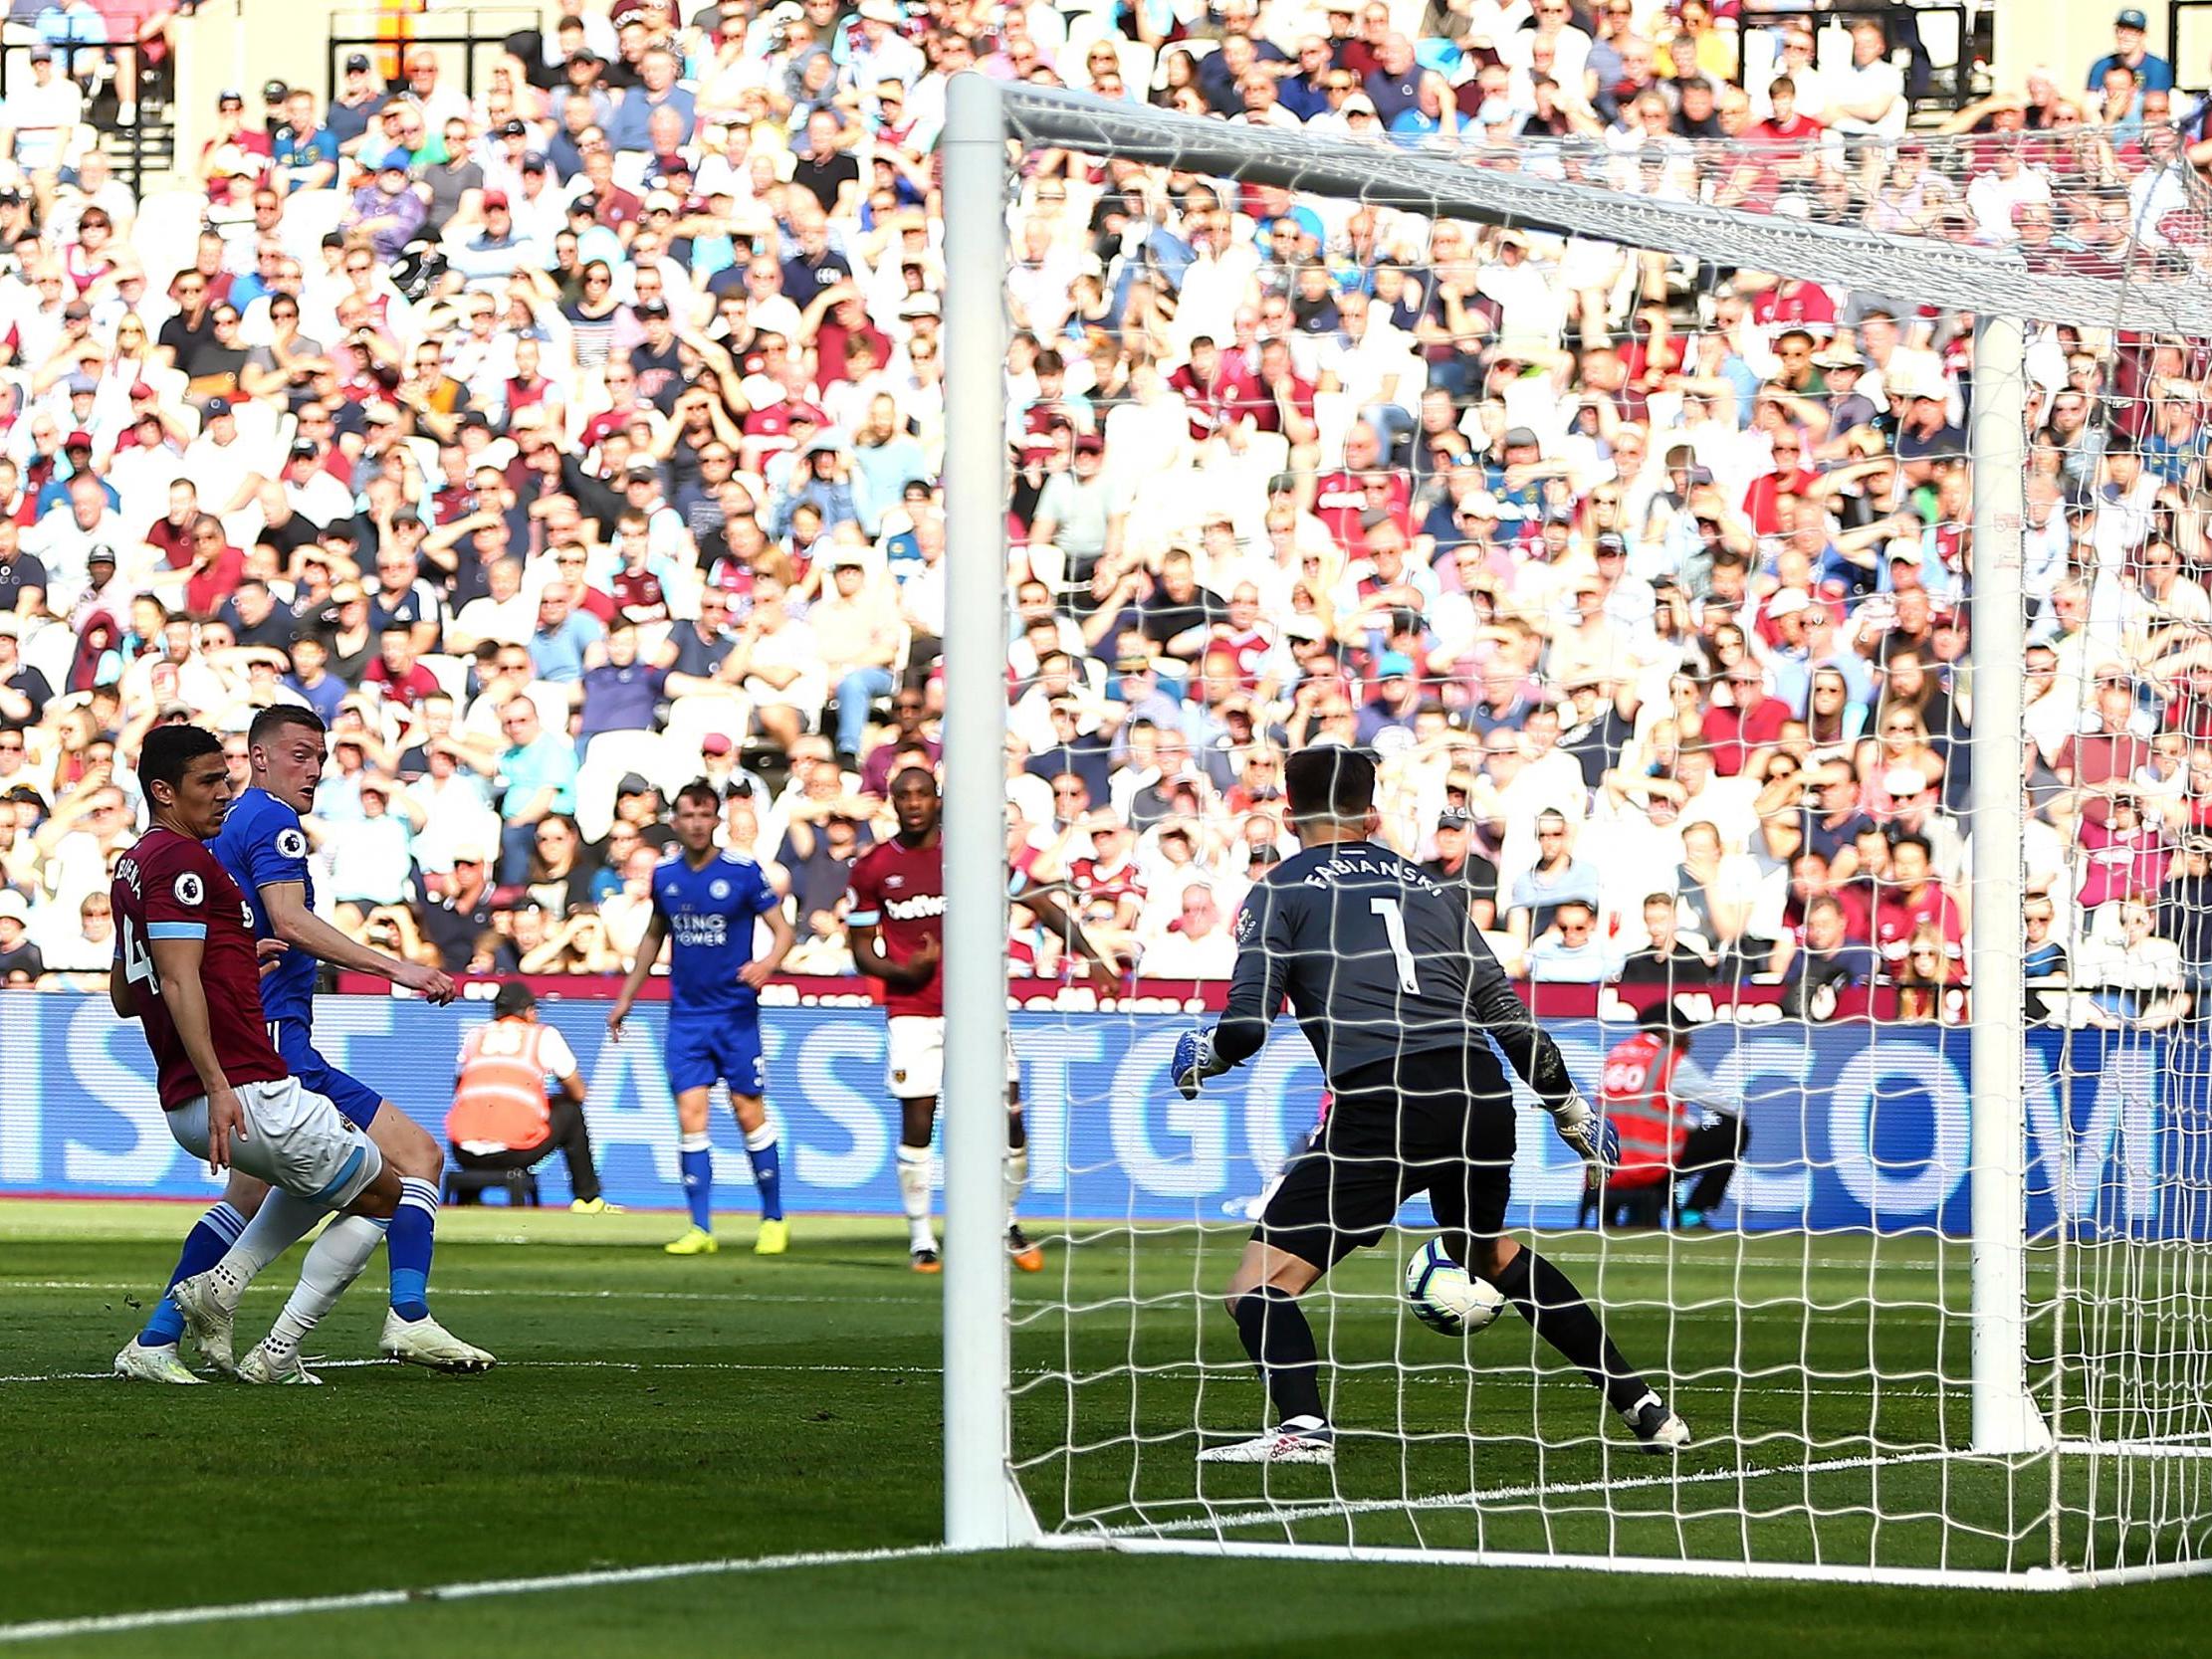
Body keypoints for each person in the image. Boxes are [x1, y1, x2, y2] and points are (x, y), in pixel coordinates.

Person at [1170, 747, 1688, 1464]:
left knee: (1255, 1287)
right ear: (1374, 817)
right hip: (1478, 1088)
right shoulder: (1433, 890)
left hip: (1384, 1098)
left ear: (1289, 818)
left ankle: (1304, 1429)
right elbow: (1506, 1010)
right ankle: (1644, 1405)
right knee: (1489, 1249)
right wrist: (1567, 1105)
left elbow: (1248, 1024)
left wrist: (1204, 1054)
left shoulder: (1278, 889)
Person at [121, 706, 494, 1380]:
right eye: (299, 754)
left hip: (251, 1031)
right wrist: (398, 967)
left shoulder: (218, 830)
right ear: (256, 758)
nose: (314, 770)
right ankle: (397, 1316)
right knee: (414, 1160)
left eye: (320, 758)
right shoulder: (271, 821)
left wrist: (235, 954)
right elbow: (290, 918)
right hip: (273, 1041)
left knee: (252, 1195)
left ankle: (157, 1335)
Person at [846, 766, 1117, 1272]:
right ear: (891, 802)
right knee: (918, 1123)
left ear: (936, 799)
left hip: (979, 1012)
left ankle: (1005, 1221)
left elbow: (1039, 899)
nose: (913, 803)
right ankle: (922, 1238)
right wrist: (905, 969)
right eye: (902, 795)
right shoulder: (874, 867)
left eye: (921, 794)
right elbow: (862, 952)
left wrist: (1092, 956)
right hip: (913, 1013)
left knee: (1011, 1119)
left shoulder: (970, 855)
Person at [607, 780, 797, 1256]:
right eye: (687, 815)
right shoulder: (667, 875)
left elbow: (783, 931)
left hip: (734, 1015)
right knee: (690, 1116)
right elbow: (654, 936)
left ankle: (773, 1219)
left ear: (716, 820)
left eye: (704, 815)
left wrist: (767, 964)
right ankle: (700, 1228)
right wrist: (627, 996)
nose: (696, 823)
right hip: (687, 1016)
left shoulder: (742, 871)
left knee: (747, 1109)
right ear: (676, 820)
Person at [449, 981, 611, 1210]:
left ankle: (470, 1197)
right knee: (571, 1112)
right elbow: (579, 1093)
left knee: (480, 1113)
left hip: (462, 1152)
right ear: (528, 1011)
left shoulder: (475, 1036)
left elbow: (459, 1088)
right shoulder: (542, 1035)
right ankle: (588, 1199)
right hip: (513, 1152)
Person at [1589, 1003, 1751, 1231]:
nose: (1690, 1040)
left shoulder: (1616, 1054)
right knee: (1735, 1131)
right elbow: (1730, 1108)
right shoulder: (1670, 1060)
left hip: (1608, 1164)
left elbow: (1637, 1111)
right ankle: (1694, 1212)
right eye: (1685, 1031)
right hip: (1652, 1163)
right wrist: (1694, 1126)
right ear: (1666, 1031)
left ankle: (1634, 1211)